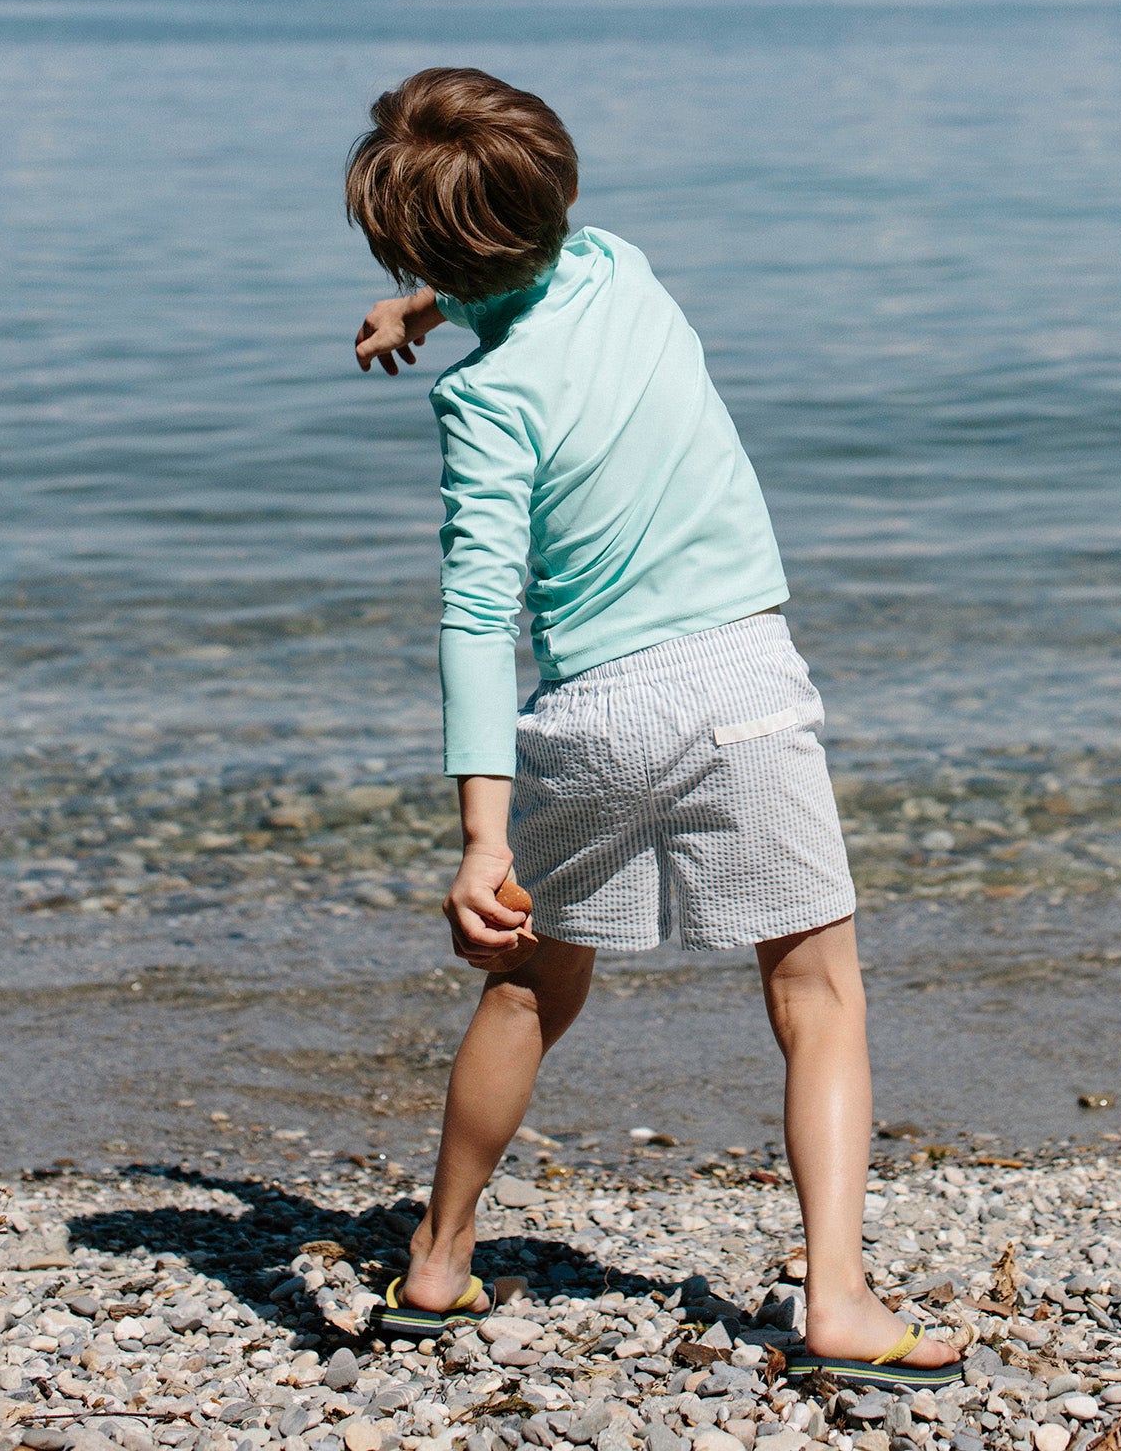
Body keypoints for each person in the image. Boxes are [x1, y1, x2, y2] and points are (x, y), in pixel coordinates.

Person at [346, 68, 960, 1389]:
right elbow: (534, 272)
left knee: (527, 987)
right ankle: (840, 1302)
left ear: (416, 249)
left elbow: (472, 618)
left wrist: (478, 841)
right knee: (817, 994)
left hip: (593, 715)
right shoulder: (623, 266)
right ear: (558, 191)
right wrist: (441, 296)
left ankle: (438, 1267)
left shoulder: (482, 401)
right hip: (739, 693)